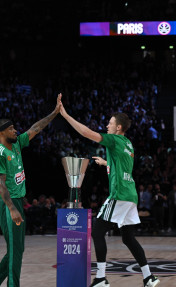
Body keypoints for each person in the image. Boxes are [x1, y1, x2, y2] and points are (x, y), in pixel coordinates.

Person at [59, 94, 160, 287]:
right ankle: (149, 277)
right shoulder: (128, 144)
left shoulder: (114, 140)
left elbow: (87, 133)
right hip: (131, 195)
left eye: (110, 123)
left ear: (118, 128)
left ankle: (101, 279)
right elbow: (122, 168)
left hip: (119, 194)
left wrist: (66, 116)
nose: (107, 125)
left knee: (97, 232)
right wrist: (106, 163)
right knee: (128, 238)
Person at [0, 94, 61, 286]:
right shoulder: (1, 153)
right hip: (6, 202)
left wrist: (54, 112)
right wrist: (11, 208)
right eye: (11, 128)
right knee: (16, 250)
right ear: (1, 133)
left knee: (16, 249)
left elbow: (36, 128)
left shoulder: (17, 143)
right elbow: (0, 184)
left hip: (16, 201)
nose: (15, 130)